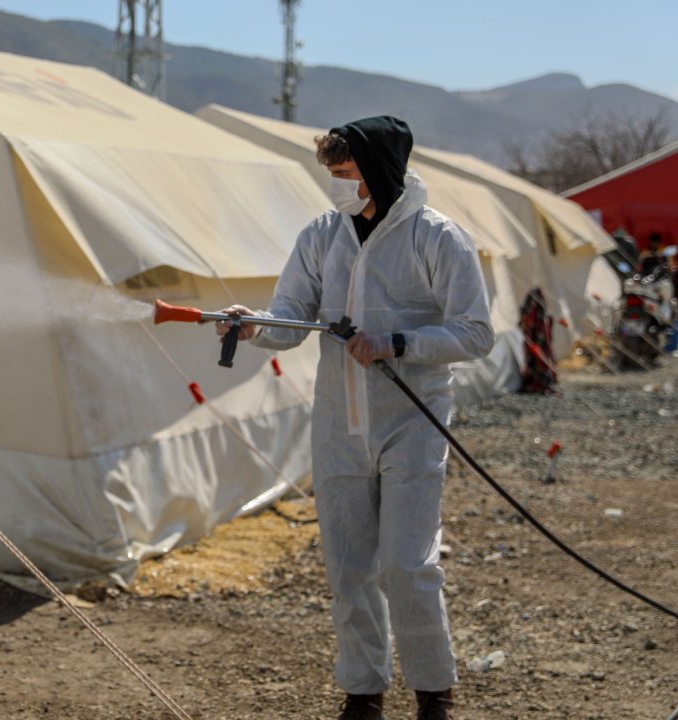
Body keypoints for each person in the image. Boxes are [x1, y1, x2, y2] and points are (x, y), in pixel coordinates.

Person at [217, 116, 493, 720]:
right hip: (339, 419)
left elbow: (475, 334)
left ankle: (432, 693)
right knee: (348, 563)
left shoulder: (438, 238)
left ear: (381, 172)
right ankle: (364, 695)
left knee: (406, 562)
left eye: (346, 174)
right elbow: (291, 317)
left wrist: (398, 342)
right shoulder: (321, 236)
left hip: (411, 419)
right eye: (333, 176)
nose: (338, 187)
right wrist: (254, 323)